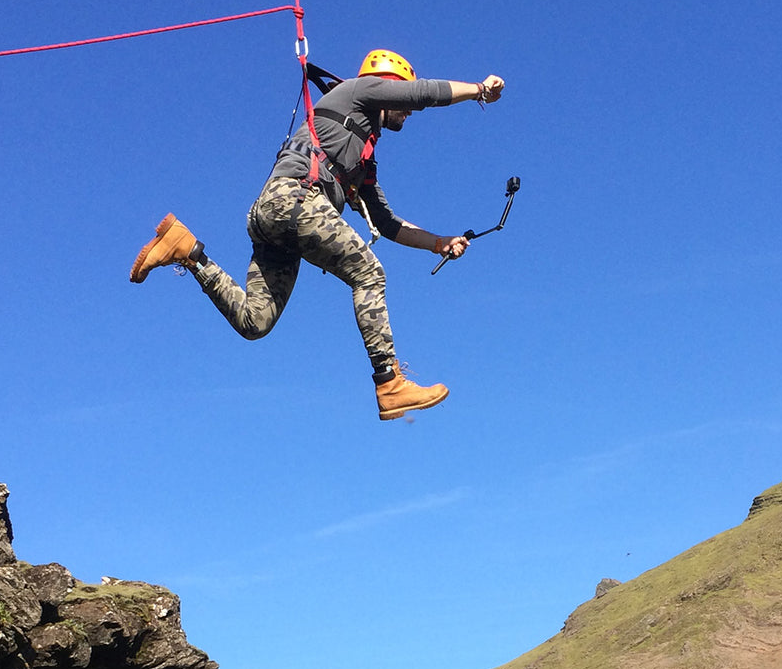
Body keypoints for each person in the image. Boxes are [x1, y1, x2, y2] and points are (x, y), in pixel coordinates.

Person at [129, 49, 505, 420]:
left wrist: (439, 242)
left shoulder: (360, 154)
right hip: (294, 200)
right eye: (400, 98)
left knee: (254, 322)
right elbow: (422, 94)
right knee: (369, 274)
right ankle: (389, 382)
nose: (406, 111)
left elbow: (387, 223)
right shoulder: (359, 91)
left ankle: (188, 251)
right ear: (387, 86)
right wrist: (478, 90)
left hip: (276, 218)